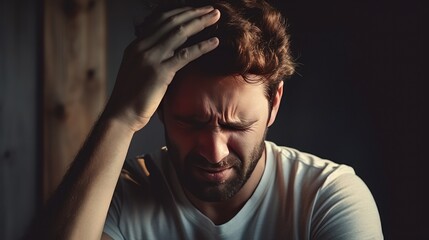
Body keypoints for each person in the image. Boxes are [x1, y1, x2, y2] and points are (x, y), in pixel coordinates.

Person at [31, 0, 383, 239]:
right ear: (160, 107)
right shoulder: (118, 196)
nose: (214, 152)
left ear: (274, 105)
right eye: (191, 122)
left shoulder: (328, 198)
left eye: (236, 126)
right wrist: (119, 118)